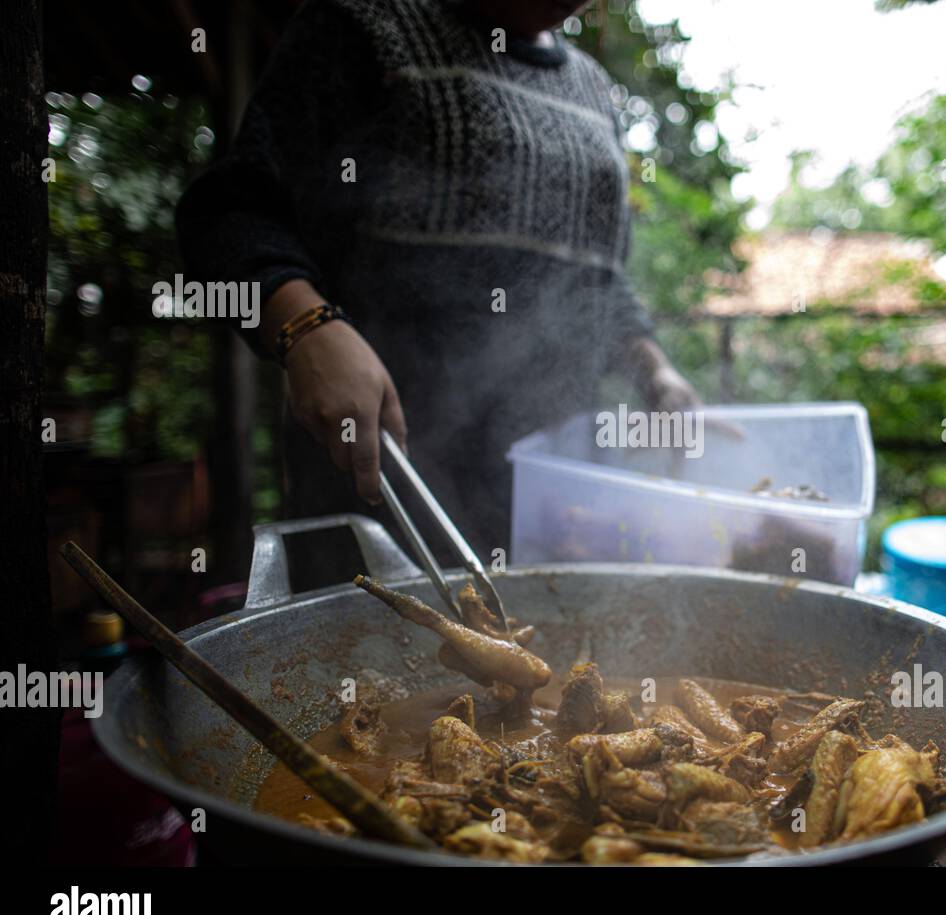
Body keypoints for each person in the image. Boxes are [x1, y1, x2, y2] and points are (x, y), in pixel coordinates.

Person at [176, 0, 699, 559]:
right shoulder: (366, 24)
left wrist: (655, 369)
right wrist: (306, 325)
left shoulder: (593, 90)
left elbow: (596, 281)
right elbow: (229, 212)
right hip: (385, 485)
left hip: (554, 505)